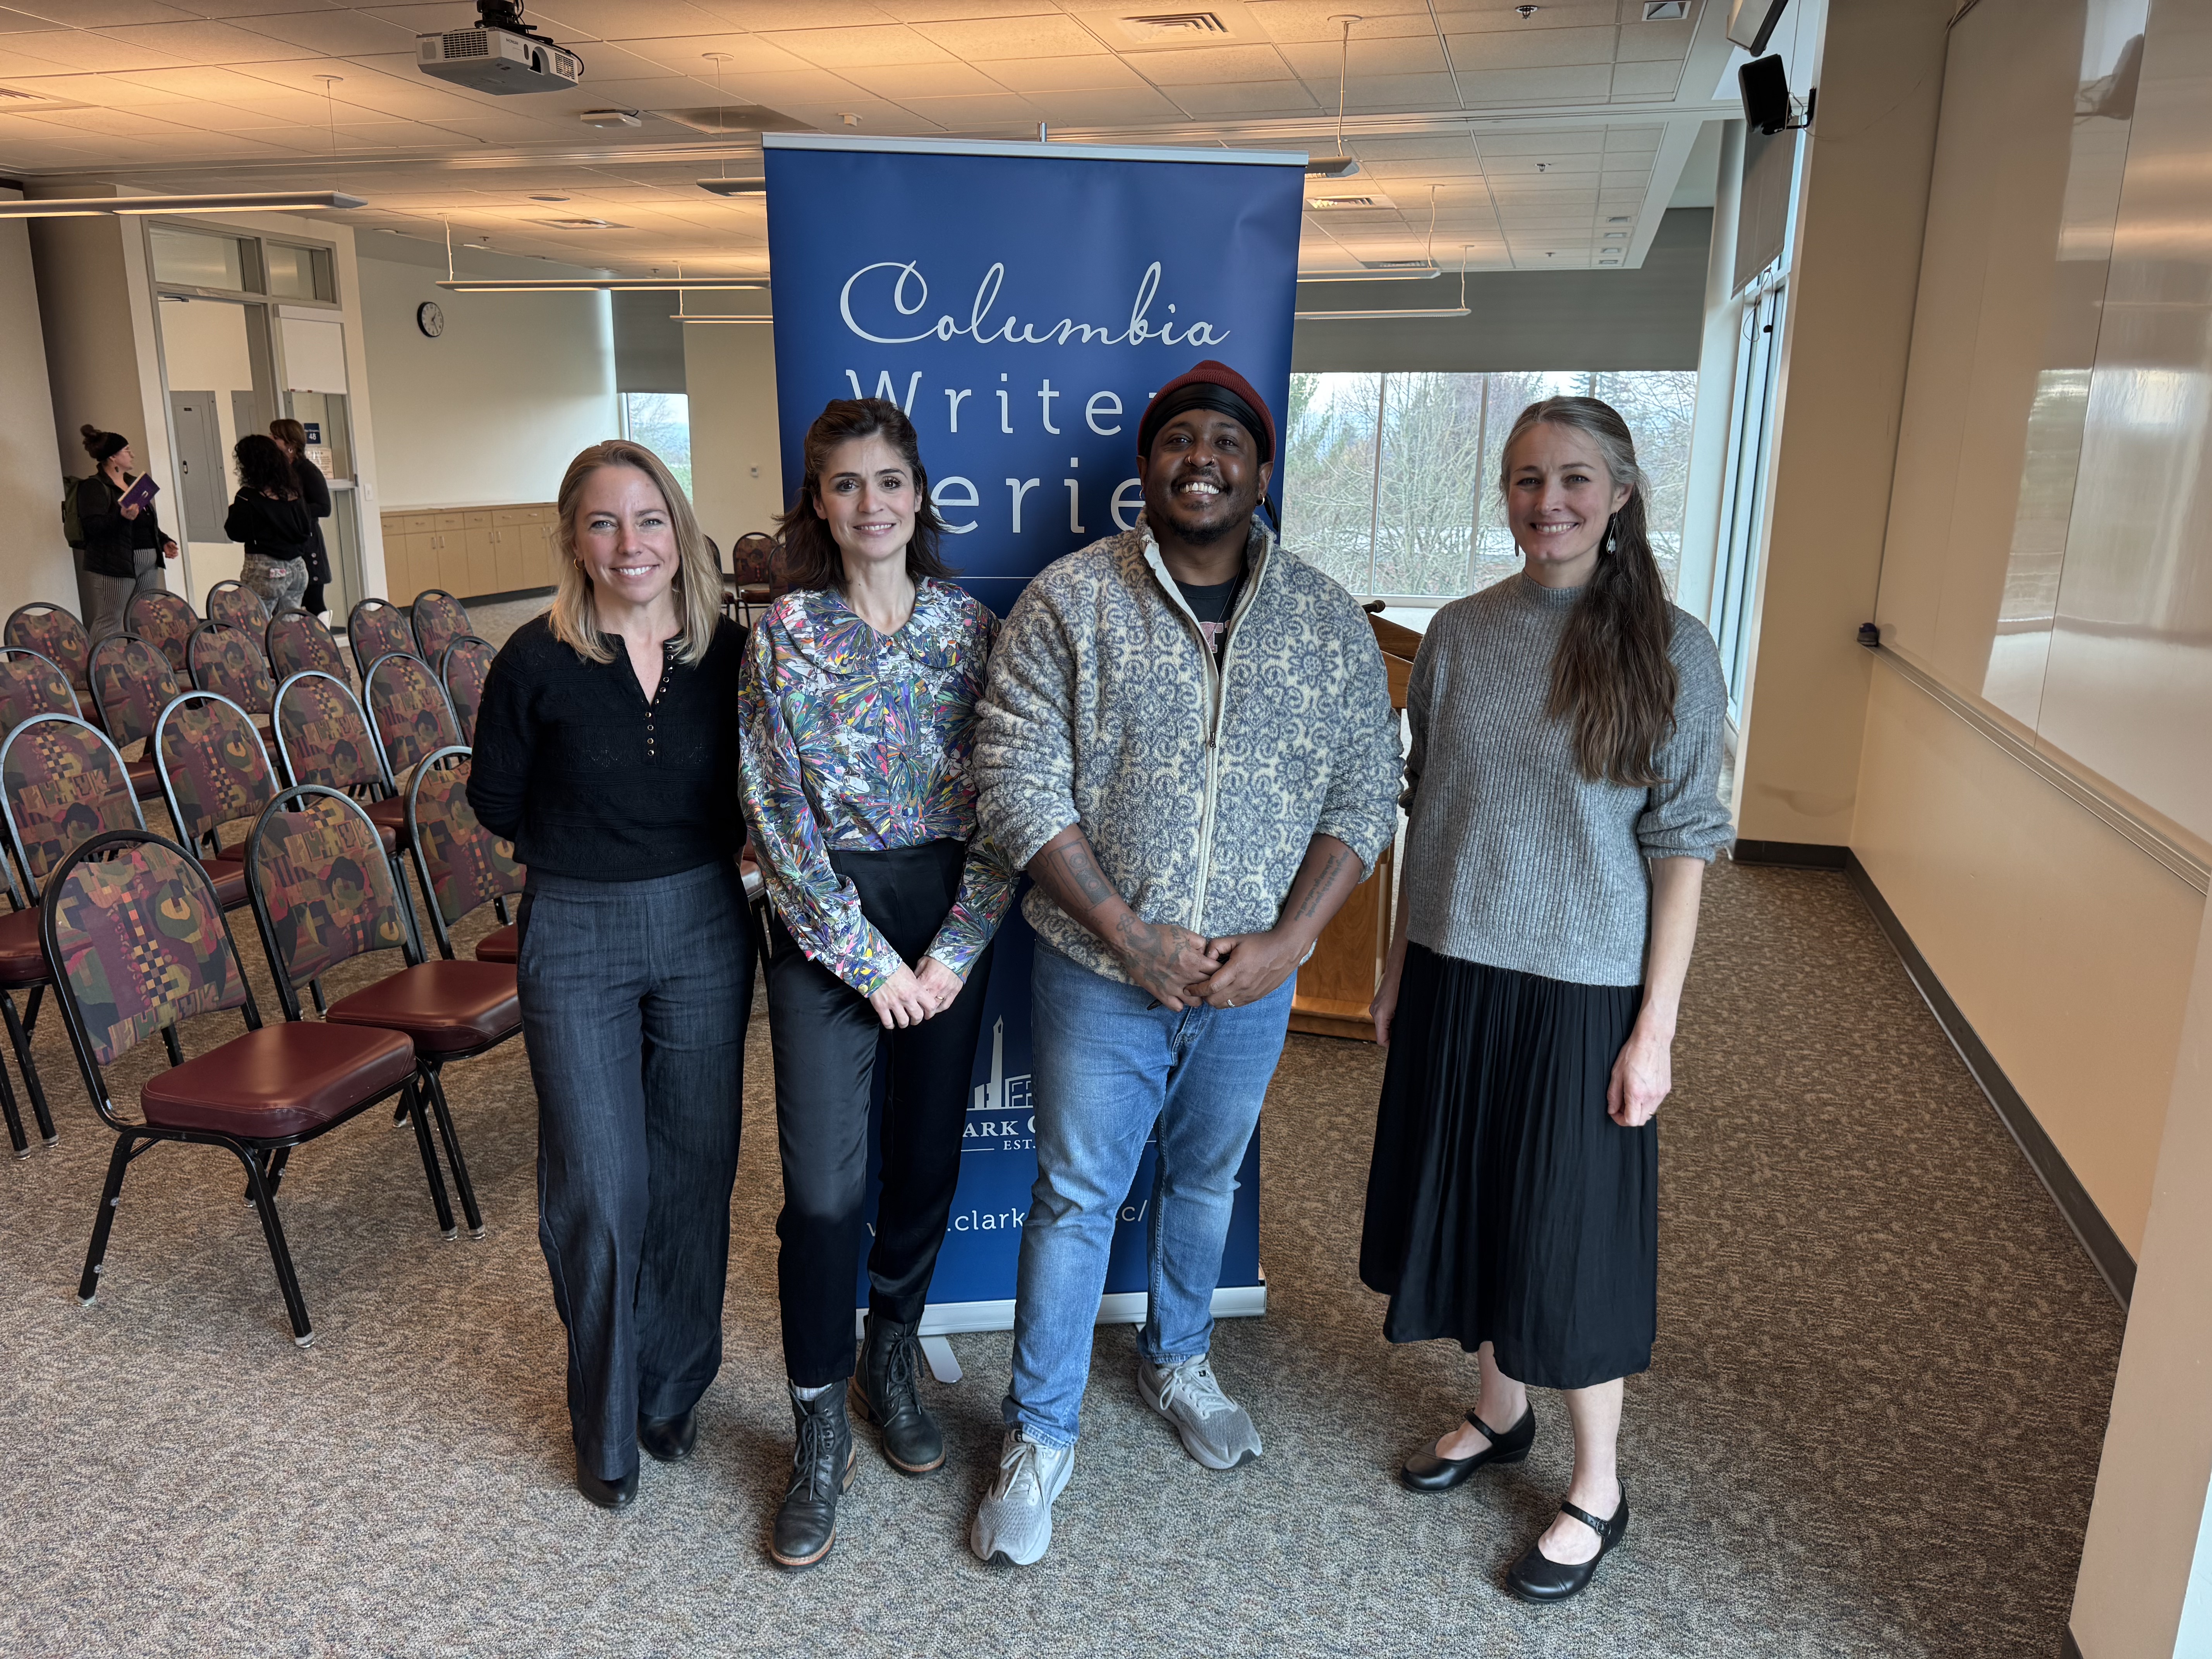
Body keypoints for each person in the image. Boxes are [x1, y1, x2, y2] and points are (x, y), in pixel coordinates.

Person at [967, 360, 1401, 1566]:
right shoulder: (1068, 603)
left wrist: (1288, 943)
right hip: (1098, 970)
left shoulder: (1320, 618)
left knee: (1204, 1182)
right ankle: (1039, 1433)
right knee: (1072, 1195)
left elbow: (1366, 787)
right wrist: (1125, 933)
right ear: (1143, 465)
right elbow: (1011, 781)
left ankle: (1176, 1362)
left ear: (1261, 473)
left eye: (1226, 442)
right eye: (1175, 440)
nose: (1199, 459)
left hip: (1250, 980)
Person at [1361, 397, 1729, 1602]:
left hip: (1584, 989)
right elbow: (1429, 814)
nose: (1546, 501)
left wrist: (1654, 1030)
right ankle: (1497, 1413)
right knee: (1470, 1202)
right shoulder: (1459, 635)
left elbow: (1682, 847)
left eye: (1573, 478)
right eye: (1524, 479)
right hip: (1458, 968)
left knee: (1566, 1242)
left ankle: (1597, 1486)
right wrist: (1397, 967)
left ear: (1619, 493)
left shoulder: (1673, 647)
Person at [738, 397, 1016, 1570]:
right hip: (826, 923)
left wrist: (951, 952)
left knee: (927, 1163)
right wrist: (863, 961)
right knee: (823, 1194)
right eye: (845, 484)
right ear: (818, 501)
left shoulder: (973, 628)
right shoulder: (783, 634)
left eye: (889, 481)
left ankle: (887, 1358)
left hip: (947, 912)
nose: (869, 504)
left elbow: (1015, 793)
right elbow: (770, 810)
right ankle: (813, 1426)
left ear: (919, 494)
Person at [467, 439, 752, 1512]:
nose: (628, 544)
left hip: (705, 925)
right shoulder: (533, 660)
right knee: (599, 1181)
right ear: (573, 541)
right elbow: (495, 804)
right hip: (577, 927)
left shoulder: (733, 650)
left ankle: (674, 1386)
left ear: (679, 530)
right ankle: (606, 1418)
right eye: (602, 522)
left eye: (647, 519)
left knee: (693, 1169)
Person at [74, 425, 176, 642]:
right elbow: (93, 527)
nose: (132, 455)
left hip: (148, 562)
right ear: (113, 457)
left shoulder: (133, 483)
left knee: (143, 618)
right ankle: (102, 666)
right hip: (114, 564)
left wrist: (164, 540)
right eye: (127, 450)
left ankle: (139, 664)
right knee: (111, 620)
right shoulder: (93, 487)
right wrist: (121, 517)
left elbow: (146, 522)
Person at [223, 434, 314, 617]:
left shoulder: (248, 496)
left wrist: (234, 510)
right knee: (288, 628)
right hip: (297, 568)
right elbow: (306, 528)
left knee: (256, 624)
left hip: (265, 569)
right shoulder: (294, 492)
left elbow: (236, 532)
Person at [270, 418, 334, 617]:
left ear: (290, 444)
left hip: (308, 543)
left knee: (313, 600)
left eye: (276, 437)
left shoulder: (308, 471)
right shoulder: (279, 471)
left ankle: (323, 640)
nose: (271, 440)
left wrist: (292, 509)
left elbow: (324, 508)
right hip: (288, 542)